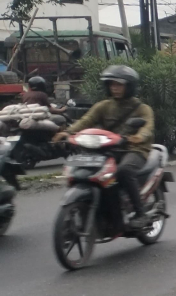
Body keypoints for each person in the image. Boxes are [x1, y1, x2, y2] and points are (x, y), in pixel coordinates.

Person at [57, 64, 154, 227]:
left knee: (124, 171)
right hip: (108, 148)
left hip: (134, 149)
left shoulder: (143, 109)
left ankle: (140, 213)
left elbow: (148, 127)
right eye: (112, 84)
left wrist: (138, 137)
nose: (115, 88)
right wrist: (67, 133)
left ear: (129, 87)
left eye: (119, 85)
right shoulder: (103, 106)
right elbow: (85, 121)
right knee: (87, 170)